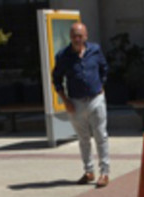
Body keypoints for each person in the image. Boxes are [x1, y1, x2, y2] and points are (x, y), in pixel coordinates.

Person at [52, 22, 111, 188]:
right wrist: (65, 100)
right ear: (70, 38)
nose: (77, 39)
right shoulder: (63, 56)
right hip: (75, 102)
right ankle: (88, 171)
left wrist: (101, 86)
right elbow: (56, 80)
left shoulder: (95, 50)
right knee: (83, 139)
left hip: (96, 99)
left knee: (101, 136)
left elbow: (104, 69)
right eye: (73, 36)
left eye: (80, 36)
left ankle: (104, 172)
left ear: (86, 36)